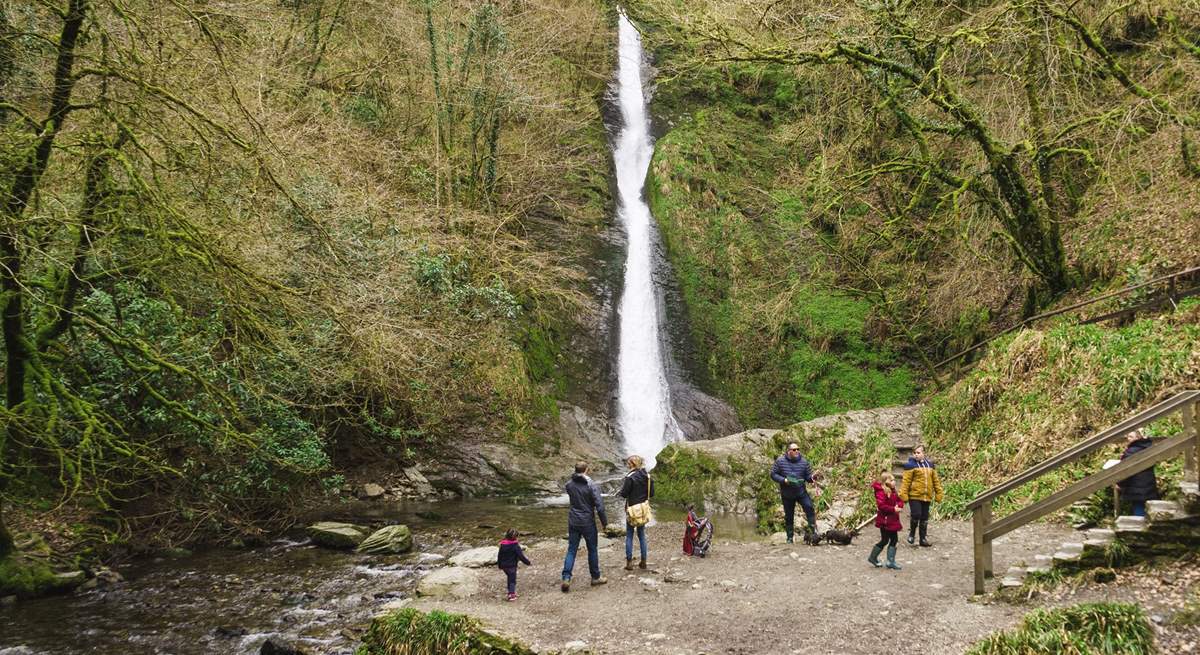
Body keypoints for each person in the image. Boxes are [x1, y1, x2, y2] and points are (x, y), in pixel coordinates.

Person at [561, 461, 608, 592]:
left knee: (571, 550)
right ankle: (595, 577)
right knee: (592, 549)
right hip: (587, 521)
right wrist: (605, 524)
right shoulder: (591, 485)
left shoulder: (569, 485)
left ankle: (566, 578)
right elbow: (600, 507)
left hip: (573, 520)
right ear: (587, 470)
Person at [770, 441, 820, 543]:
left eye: (798, 449)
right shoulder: (780, 461)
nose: (797, 451)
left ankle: (813, 533)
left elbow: (808, 478)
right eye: (794, 450)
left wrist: (813, 477)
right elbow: (773, 474)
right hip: (787, 494)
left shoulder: (804, 462)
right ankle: (789, 538)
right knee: (789, 516)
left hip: (801, 492)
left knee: (809, 508)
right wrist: (784, 480)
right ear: (788, 451)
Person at [899, 445, 944, 547]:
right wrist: (903, 494)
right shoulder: (911, 466)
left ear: (924, 453)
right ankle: (912, 534)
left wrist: (938, 493)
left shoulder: (930, 466)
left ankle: (923, 539)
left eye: (918, 453)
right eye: (914, 453)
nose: (916, 455)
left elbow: (935, 481)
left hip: (926, 496)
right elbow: (906, 482)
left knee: (924, 517)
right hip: (914, 495)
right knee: (916, 514)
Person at [618, 454, 653, 571]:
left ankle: (629, 563)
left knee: (629, 535)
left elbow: (623, 494)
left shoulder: (630, 477)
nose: (627, 465)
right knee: (642, 535)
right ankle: (643, 561)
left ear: (633, 464)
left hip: (632, 509)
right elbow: (651, 493)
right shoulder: (647, 476)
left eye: (628, 463)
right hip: (643, 509)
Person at [868, 469, 904, 570]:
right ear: (886, 482)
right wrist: (893, 509)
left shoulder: (893, 491)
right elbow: (881, 506)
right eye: (892, 480)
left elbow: (899, 500)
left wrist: (899, 505)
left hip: (892, 520)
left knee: (893, 540)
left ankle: (890, 561)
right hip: (885, 521)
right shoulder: (881, 492)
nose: (894, 482)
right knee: (885, 540)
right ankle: (873, 557)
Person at [1117, 429, 1158, 517]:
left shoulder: (1130, 452)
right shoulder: (1148, 447)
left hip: (1136, 486)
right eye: (1128, 436)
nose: (1128, 439)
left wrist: (1120, 484)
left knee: (1139, 511)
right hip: (1149, 484)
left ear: (1137, 438)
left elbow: (1124, 471)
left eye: (1131, 437)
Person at [496, 528, 531, 601]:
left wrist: (499, 565)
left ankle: (510, 592)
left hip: (504, 566)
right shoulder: (515, 546)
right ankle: (511, 595)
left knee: (509, 578)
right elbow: (521, 556)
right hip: (511, 566)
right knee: (512, 580)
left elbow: (499, 555)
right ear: (516, 537)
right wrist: (528, 563)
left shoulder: (503, 544)